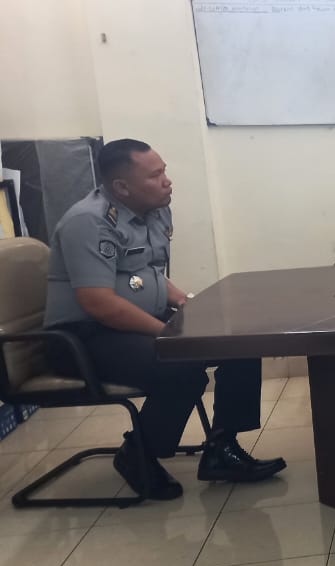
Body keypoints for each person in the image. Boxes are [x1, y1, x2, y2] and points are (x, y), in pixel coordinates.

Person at [44, 138, 286, 501]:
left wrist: (187, 303)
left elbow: (148, 273)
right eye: (155, 175)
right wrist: (170, 336)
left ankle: (222, 449)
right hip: (83, 338)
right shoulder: (89, 222)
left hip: (139, 323)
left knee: (239, 339)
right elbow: (98, 303)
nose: (167, 181)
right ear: (122, 187)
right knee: (181, 366)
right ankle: (137, 453)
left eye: (164, 171)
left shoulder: (154, 211)